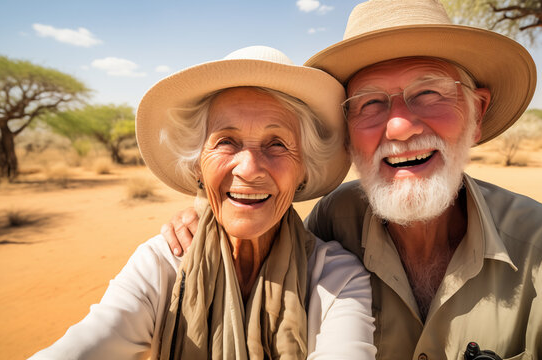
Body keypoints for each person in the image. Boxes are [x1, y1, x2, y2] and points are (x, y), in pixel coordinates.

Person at [161, 1, 542, 359]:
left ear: (476, 114)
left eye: (429, 93)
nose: (399, 128)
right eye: (370, 103)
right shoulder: (331, 223)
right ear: (347, 137)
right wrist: (210, 217)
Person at [29, 46, 376, 360]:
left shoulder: (336, 277)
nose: (250, 168)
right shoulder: (161, 264)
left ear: (303, 171)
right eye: (226, 141)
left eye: (278, 144)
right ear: (198, 166)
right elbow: (91, 342)